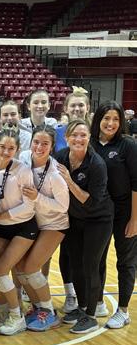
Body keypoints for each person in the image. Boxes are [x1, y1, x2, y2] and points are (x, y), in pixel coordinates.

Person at [55, 119, 114, 333]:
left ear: (89, 138)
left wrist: (69, 181)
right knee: (76, 264)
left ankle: (91, 315)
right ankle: (81, 307)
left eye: (83, 135)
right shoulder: (61, 157)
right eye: (74, 135)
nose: (78, 139)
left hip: (98, 219)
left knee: (90, 265)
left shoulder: (97, 164)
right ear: (67, 138)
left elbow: (90, 202)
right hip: (74, 219)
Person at [0, 128, 37, 335]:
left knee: (0, 271)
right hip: (0, 226)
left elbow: (29, 204)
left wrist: (6, 214)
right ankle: (5, 307)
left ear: (17, 150)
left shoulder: (23, 170)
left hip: (23, 225)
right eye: (2, 147)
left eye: (11, 148)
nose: (6, 152)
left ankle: (17, 317)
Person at [17, 125, 69, 331]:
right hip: (33, 221)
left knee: (30, 268)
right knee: (21, 268)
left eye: (45, 143)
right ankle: (38, 307)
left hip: (54, 224)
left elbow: (63, 206)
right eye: (36, 142)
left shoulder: (55, 174)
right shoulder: (24, 158)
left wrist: (37, 197)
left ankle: (49, 313)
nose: (39, 147)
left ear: (52, 146)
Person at [90, 102, 137, 329]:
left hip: (125, 212)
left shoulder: (128, 145)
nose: (111, 123)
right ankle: (98, 301)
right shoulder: (90, 144)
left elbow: (136, 184)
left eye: (116, 119)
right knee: (97, 258)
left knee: (125, 261)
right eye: (106, 118)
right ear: (98, 119)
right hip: (99, 212)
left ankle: (123, 310)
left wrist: (135, 219)